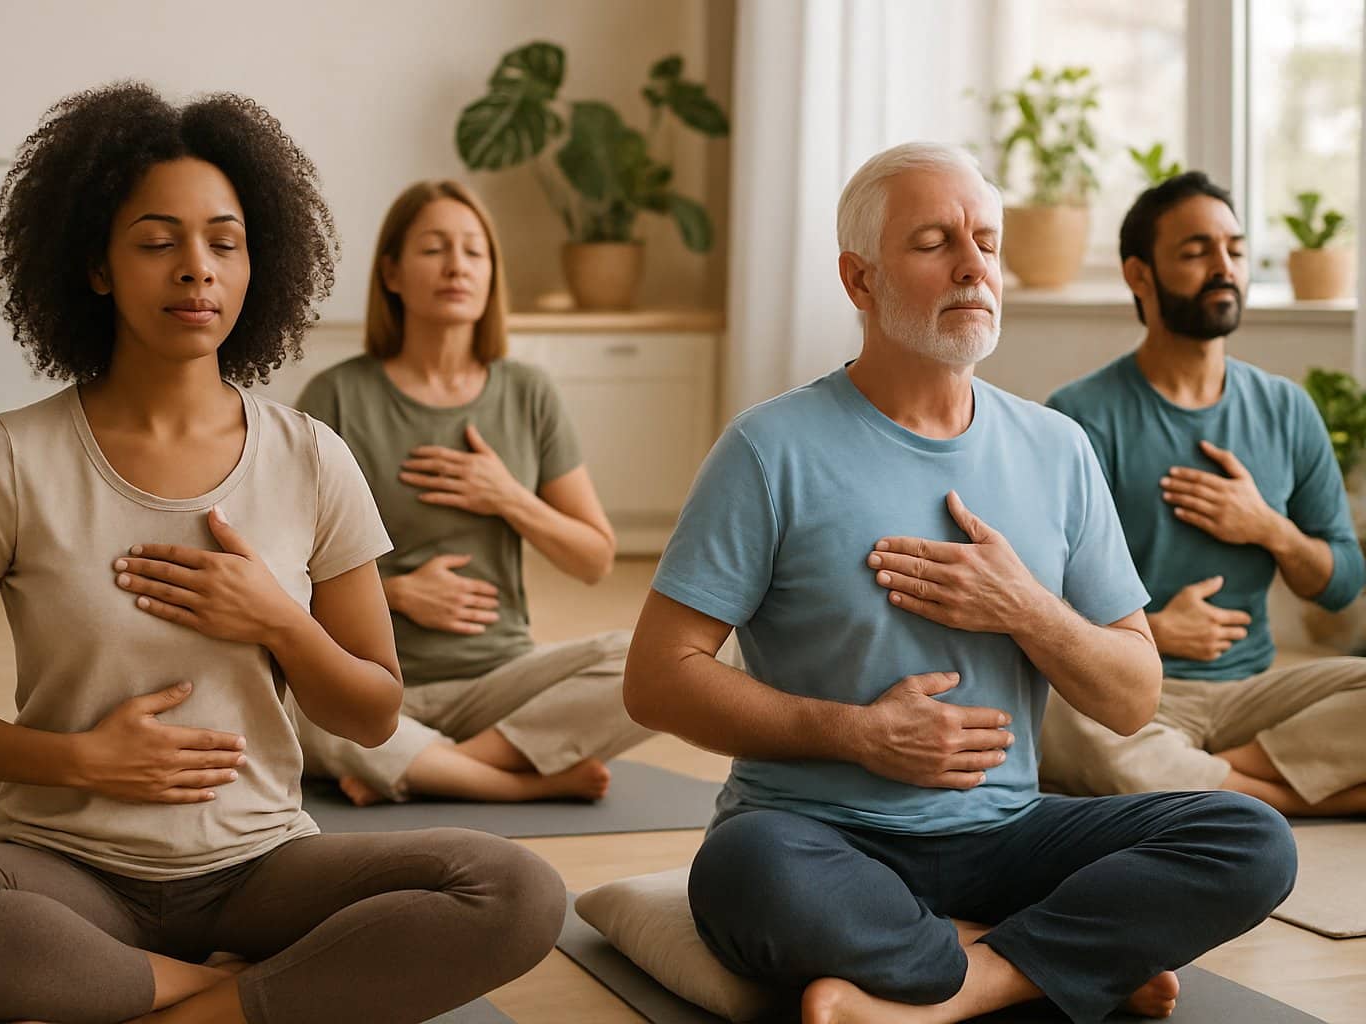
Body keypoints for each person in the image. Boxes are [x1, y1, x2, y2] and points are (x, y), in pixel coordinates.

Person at [0, 84, 563, 1024]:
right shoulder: (13, 456)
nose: (196, 269)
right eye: (156, 242)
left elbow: (376, 714)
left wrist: (278, 622)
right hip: (63, 867)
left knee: (514, 889)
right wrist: (82, 762)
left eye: (224, 242)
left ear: (258, 264)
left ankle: (159, 999)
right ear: (96, 266)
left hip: (261, 870)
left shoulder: (311, 457)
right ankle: (224, 997)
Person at [623, 142, 1296, 1024]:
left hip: (1005, 835)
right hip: (815, 835)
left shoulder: (1056, 449)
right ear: (859, 281)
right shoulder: (769, 449)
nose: (973, 265)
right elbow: (656, 677)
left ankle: (958, 983)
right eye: (935, 242)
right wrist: (858, 736)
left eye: (985, 240)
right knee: (743, 876)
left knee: (1250, 840)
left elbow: (1133, 697)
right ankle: (1054, 957)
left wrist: (1024, 608)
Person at [290, 180, 650, 806]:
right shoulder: (337, 396)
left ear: (491, 275)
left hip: (500, 681)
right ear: (393, 274)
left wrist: (508, 496)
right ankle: (512, 783)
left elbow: (593, 559)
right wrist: (395, 594)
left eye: (474, 251)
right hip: (373, 683)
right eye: (434, 249)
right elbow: (281, 571)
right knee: (285, 708)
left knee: (650, 661)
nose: (457, 265)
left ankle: (432, 769)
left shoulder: (527, 392)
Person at [1040, 172, 1366, 816]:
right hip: (1132, 696)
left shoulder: (1285, 409)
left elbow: (1342, 582)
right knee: (1062, 725)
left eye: (1236, 251)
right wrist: (1155, 631)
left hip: (1254, 695)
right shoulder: (1079, 418)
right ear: (1139, 275)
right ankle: (1298, 796)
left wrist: (1268, 527)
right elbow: (1039, 606)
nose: (1225, 268)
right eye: (1196, 252)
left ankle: (1212, 782)